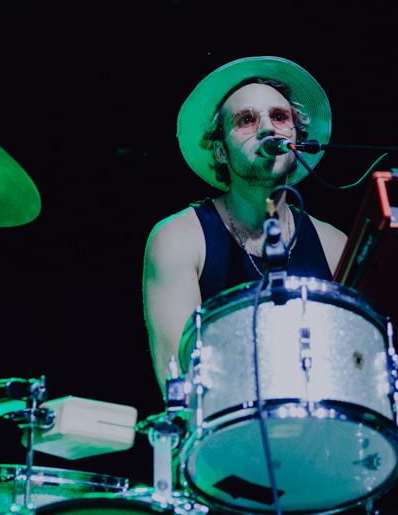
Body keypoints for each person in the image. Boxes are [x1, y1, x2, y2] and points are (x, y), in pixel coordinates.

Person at [143, 56, 348, 391]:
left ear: (297, 139)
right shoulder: (178, 238)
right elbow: (177, 383)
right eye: (246, 120)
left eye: (280, 117)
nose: (267, 128)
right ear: (220, 150)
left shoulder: (335, 244)